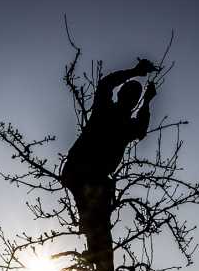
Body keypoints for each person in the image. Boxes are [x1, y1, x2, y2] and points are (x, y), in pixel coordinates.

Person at [62, 58, 158, 246]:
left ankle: (94, 247)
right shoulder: (105, 109)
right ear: (121, 93)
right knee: (97, 215)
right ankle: (92, 239)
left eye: (135, 97)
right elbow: (106, 83)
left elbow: (141, 130)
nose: (131, 99)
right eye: (129, 93)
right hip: (79, 170)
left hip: (91, 176)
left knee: (100, 221)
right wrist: (135, 71)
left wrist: (147, 100)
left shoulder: (126, 124)